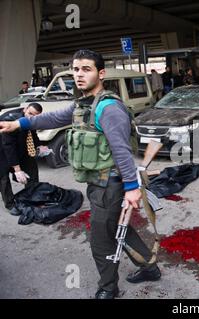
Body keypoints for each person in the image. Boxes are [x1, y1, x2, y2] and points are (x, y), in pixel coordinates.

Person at [0, 49, 161, 299]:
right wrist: (18, 124)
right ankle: (149, 267)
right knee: (118, 228)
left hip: (110, 185)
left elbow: (121, 151)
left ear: (101, 73)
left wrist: (131, 188)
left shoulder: (108, 109)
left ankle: (108, 288)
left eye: (86, 69)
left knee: (100, 241)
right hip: (99, 183)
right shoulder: (82, 105)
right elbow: (52, 118)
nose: (79, 74)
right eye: (75, 69)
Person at [0, 103, 47, 215]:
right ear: (25, 109)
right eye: (29, 113)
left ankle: (34, 197)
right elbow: (9, 146)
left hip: (20, 146)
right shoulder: (9, 120)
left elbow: (33, 133)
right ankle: (10, 204)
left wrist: (39, 145)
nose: (31, 118)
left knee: (32, 171)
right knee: (3, 178)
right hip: (2, 149)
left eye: (34, 116)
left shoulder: (32, 119)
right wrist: (17, 169)